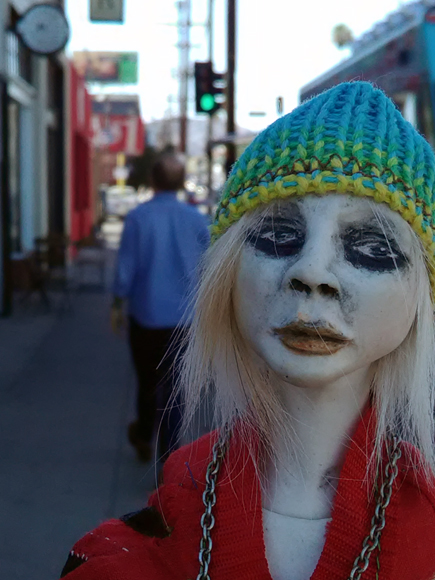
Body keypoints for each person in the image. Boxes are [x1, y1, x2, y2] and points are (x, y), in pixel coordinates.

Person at [61, 82, 435, 580]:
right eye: (279, 235)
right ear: (227, 271)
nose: (312, 272)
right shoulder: (117, 559)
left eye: (370, 247)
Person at [111, 152, 210, 462]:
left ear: (152, 180)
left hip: (147, 317)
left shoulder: (139, 218)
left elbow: (126, 266)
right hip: (185, 320)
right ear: (181, 183)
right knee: (176, 391)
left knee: (147, 382)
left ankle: (143, 435)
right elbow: (208, 267)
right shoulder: (196, 219)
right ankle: (168, 460)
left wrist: (117, 301)